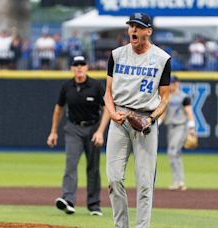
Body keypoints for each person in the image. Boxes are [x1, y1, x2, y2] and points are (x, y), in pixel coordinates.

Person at [104, 12, 171, 228]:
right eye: (131, 25)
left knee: (144, 184)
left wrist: (151, 119)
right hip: (120, 118)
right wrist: (112, 113)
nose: (133, 29)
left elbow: (165, 98)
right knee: (114, 179)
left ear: (148, 31)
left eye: (138, 26)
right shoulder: (116, 55)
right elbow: (107, 92)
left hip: (144, 121)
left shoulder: (162, 59)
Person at [47, 55, 110, 216]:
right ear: (72, 69)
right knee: (71, 164)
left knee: (93, 167)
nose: (79, 67)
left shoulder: (95, 85)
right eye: (76, 65)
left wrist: (100, 131)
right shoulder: (67, 86)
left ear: (87, 67)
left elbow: (107, 109)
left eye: (82, 64)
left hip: (93, 128)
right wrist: (53, 131)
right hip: (73, 128)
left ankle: (94, 205)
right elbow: (58, 109)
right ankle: (68, 200)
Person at [160, 75, 196, 191]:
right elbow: (163, 113)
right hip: (171, 127)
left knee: (172, 152)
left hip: (181, 127)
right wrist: (157, 123)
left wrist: (191, 129)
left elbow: (189, 113)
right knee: (175, 153)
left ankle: (179, 180)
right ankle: (178, 181)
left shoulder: (184, 97)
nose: (171, 85)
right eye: (170, 83)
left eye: (173, 83)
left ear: (177, 83)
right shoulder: (166, 96)